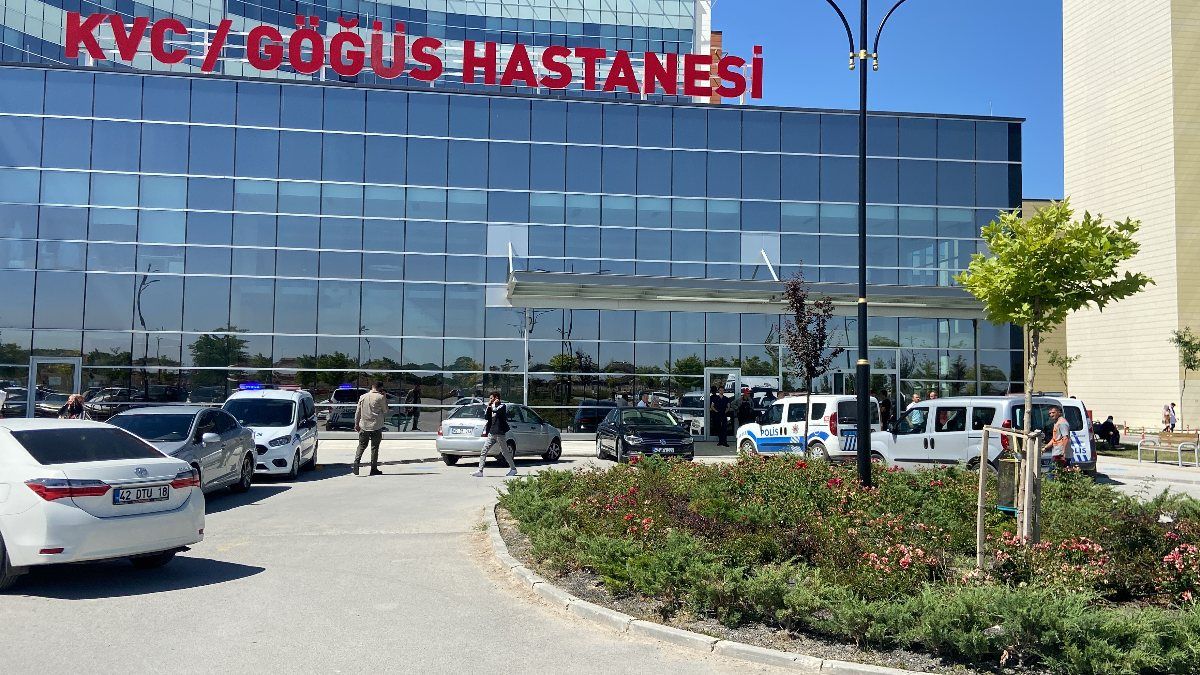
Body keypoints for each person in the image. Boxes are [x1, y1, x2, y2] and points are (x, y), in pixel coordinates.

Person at [475, 391, 517, 478]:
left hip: (500, 433)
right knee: (484, 451)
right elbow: (487, 417)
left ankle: (513, 469)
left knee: (504, 452)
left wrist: (493, 405)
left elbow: (496, 411)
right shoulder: (491, 406)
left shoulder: (502, 406)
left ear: (496, 398)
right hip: (492, 432)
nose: (490, 400)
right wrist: (488, 406)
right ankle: (480, 471)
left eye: (491, 398)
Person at [353, 382, 387, 476]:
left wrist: (356, 424)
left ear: (372, 387)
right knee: (374, 448)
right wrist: (384, 397)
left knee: (361, 445)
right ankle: (373, 469)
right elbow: (385, 410)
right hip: (376, 426)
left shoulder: (363, 397)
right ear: (381, 388)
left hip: (364, 425)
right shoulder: (380, 397)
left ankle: (356, 462)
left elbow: (358, 412)